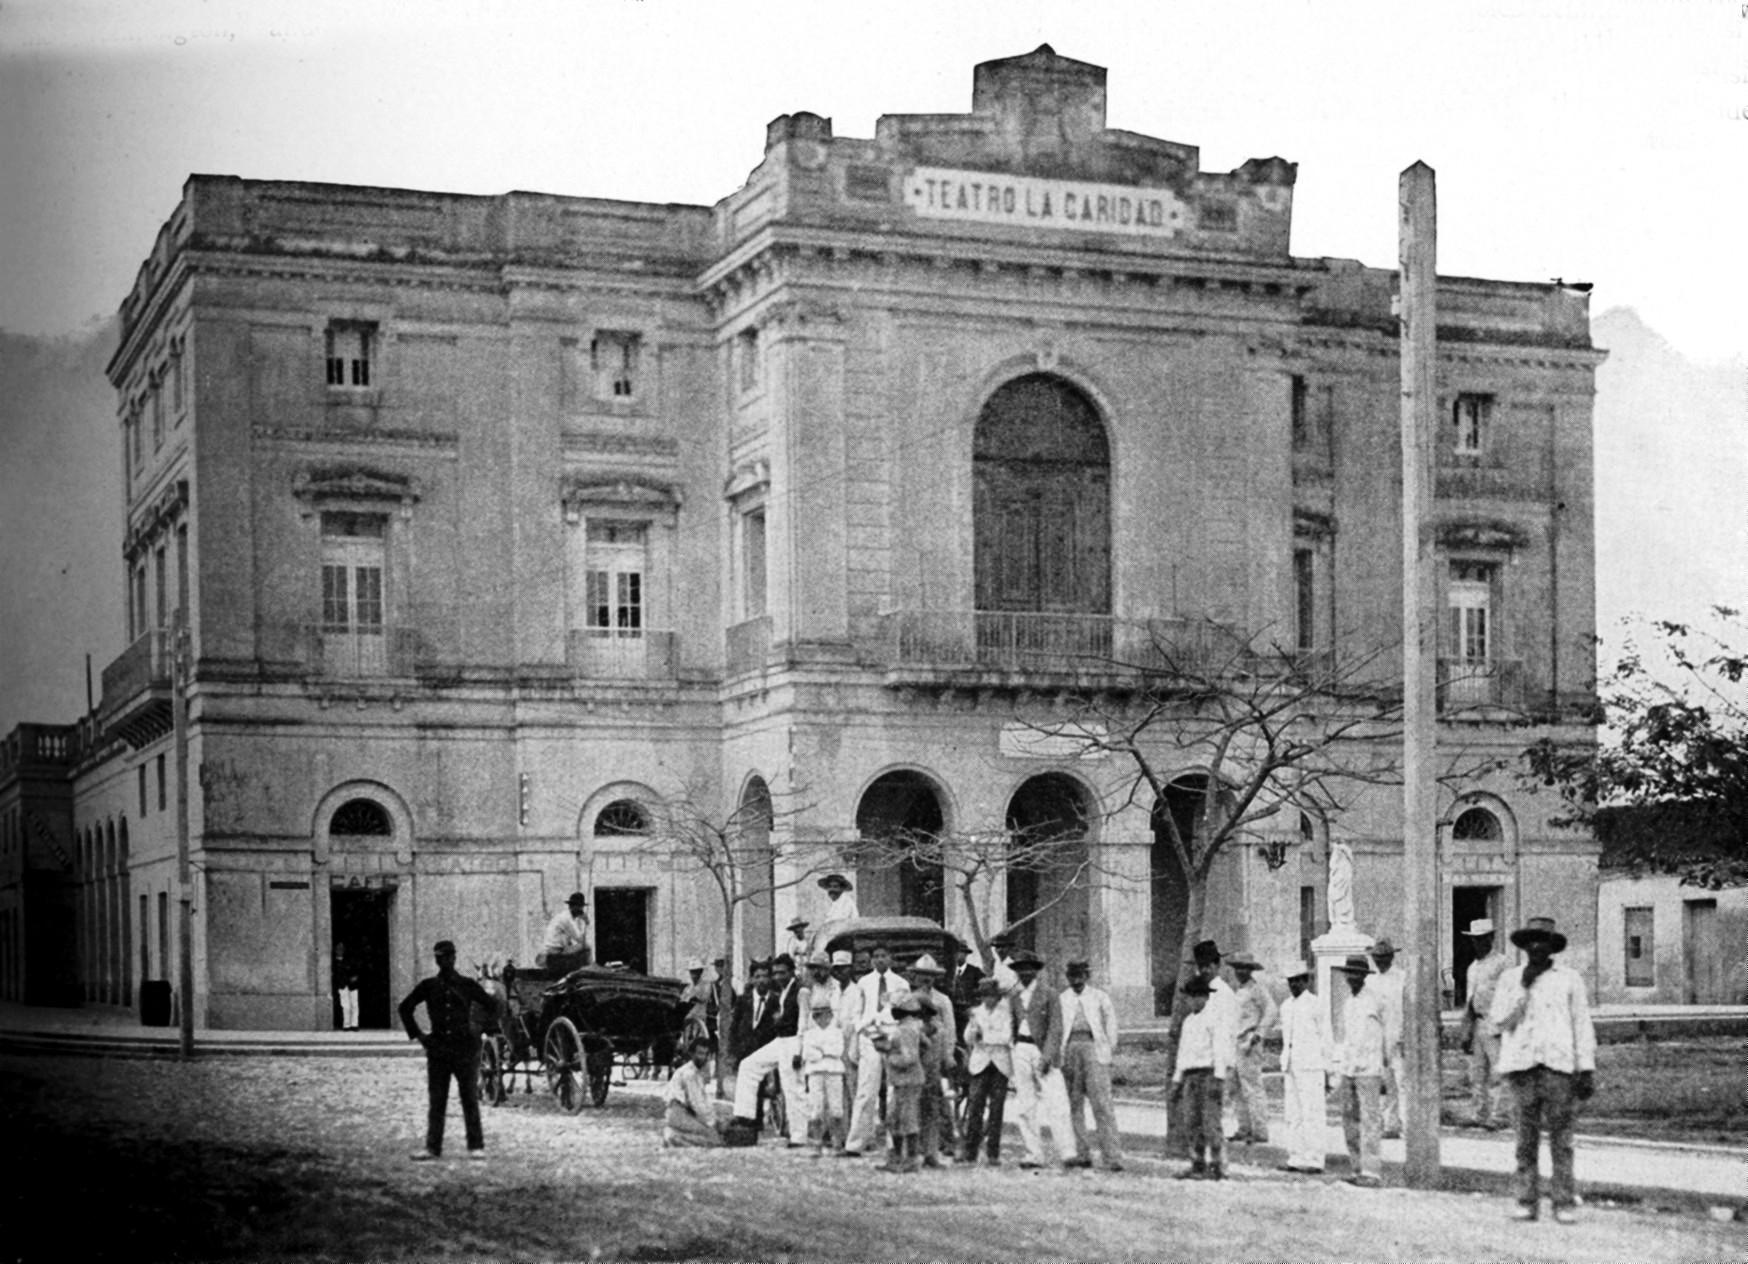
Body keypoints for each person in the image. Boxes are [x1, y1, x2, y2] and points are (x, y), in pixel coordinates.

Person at [1488, 917, 1597, 1225]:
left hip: (1557, 1068)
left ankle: (1563, 1201)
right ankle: (1525, 1200)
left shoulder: (1569, 978)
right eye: (1531, 940)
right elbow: (1498, 1020)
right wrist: (1523, 987)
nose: (1537, 946)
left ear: (1552, 946)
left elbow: (1581, 1023)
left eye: (1543, 940)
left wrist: (1585, 1068)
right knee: (1525, 1139)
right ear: (1523, 946)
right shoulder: (1510, 978)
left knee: (1562, 1139)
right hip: (1522, 1068)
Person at [397, 939, 498, 1161]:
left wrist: (478, 1031)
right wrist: (420, 1037)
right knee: (437, 1100)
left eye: (448, 956)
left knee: (469, 1098)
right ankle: (433, 1148)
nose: (444, 961)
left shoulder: (467, 984)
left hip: (464, 1049)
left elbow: (492, 1006)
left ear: (454, 958)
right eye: (440, 957)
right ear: (436, 960)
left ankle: (476, 1146)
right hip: (439, 1049)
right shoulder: (428, 986)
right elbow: (405, 1008)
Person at [1007, 948, 1078, 1170]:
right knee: (1025, 1104)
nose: (1024, 973)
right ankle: (1033, 1153)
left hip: (1042, 1049)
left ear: (1036, 971)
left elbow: (1056, 1028)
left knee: (1057, 1102)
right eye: (1020, 969)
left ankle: (1067, 1152)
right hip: (1021, 1047)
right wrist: (1013, 1051)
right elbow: (1011, 1024)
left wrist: (1047, 1056)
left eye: (1028, 969)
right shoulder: (1013, 996)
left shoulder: (1050, 994)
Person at [731, 953, 808, 1145]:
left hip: (793, 1042)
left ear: (792, 972)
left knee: (793, 1089)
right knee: (748, 1066)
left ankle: (799, 1136)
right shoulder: (781, 991)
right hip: (780, 1041)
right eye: (775, 973)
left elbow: (804, 1022)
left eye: (782, 973)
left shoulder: (800, 991)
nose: (777, 977)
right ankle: (745, 1116)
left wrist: (799, 1051)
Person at [843, 943, 910, 1155]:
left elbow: (906, 1012)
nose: (880, 960)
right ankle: (857, 1143)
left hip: (892, 1033)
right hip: (870, 1035)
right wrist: (863, 1027)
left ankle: (895, 1143)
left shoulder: (901, 983)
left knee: (894, 1090)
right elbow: (856, 1013)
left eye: (884, 956)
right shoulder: (864, 983)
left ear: (890, 958)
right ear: (872, 960)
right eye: (876, 957)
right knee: (866, 1089)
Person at [1057, 960, 1124, 1171]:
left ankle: (1112, 1156)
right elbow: (1058, 1027)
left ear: (1087, 976)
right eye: (1072, 977)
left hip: (1093, 1047)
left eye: (1080, 976)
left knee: (1102, 1103)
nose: (1076, 981)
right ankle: (1081, 1153)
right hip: (1069, 1049)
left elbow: (1111, 1024)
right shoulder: (1062, 999)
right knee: (1073, 1104)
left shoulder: (1099, 997)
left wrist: (1107, 1049)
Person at [1331, 954, 1386, 1187]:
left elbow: (1386, 1033)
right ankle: (1356, 1167)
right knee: (1349, 1120)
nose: (1352, 978)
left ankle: (1371, 1171)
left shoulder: (1375, 1001)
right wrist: (1341, 1065)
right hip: (1349, 1068)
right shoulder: (1348, 1003)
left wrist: (1384, 1064)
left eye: (1357, 974)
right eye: (1349, 974)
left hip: (1369, 1068)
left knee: (1370, 1120)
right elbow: (1346, 1037)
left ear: (1364, 976)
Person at [1170, 976, 1228, 1180]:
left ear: (1205, 997)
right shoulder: (1188, 1022)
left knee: (1210, 1121)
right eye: (1191, 997)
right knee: (1192, 1121)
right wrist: (1177, 1080)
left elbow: (1219, 1049)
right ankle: (1197, 1162)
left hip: (1208, 1073)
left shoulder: (1213, 1018)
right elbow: (1183, 1053)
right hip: (1190, 1075)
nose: (1194, 1001)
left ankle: (1217, 1164)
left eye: (1198, 996)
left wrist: (1219, 1077)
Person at [1277, 962, 1332, 1173]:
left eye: (1298, 980)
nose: (1294, 985)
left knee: (1312, 1113)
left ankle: (1315, 1159)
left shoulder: (1316, 1004)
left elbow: (1326, 1037)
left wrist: (1328, 1068)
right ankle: (1296, 1156)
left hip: (1311, 1065)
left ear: (1306, 980)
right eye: (1290, 981)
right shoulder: (1286, 1006)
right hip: (1290, 1065)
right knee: (1293, 1113)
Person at [1458, 918, 1512, 1130]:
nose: (1478, 943)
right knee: (1477, 1072)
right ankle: (1479, 1113)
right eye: (1475, 939)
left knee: (1499, 1072)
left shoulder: (1502, 963)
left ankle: (1500, 1115)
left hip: (1496, 1023)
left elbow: (1509, 995)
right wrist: (1466, 1029)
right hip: (1479, 1021)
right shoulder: (1473, 967)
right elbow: (1471, 1001)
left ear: (1491, 938)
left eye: (1482, 939)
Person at [907, 953, 955, 1164]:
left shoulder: (942, 1000)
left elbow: (950, 1029)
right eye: (922, 975)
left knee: (935, 1102)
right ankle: (915, 1145)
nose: (926, 979)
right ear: (915, 977)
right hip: (914, 1053)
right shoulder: (908, 999)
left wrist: (948, 1055)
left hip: (935, 1052)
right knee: (912, 1101)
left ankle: (939, 1145)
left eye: (930, 975)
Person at [960, 975, 1013, 1165]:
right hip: (980, 1064)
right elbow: (968, 1039)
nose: (988, 999)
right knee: (975, 1107)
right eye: (984, 995)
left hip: (999, 1064)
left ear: (997, 996)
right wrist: (974, 1032)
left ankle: (993, 1153)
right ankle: (970, 1151)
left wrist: (985, 1037)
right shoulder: (976, 1013)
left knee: (996, 1109)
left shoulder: (1006, 1012)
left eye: (991, 995)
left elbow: (1007, 1037)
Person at [875, 993, 929, 1173]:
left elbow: (909, 1058)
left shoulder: (905, 1030)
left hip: (907, 1080)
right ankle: (900, 1158)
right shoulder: (913, 1028)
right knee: (897, 1118)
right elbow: (924, 1045)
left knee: (905, 1119)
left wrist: (890, 1054)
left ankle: (909, 1159)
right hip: (906, 1080)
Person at [1229, 953, 1277, 1145]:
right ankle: (1243, 1127)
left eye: (1244, 968)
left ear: (1250, 970)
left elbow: (1271, 1011)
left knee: (1252, 1087)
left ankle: (1260, 1130)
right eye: (1238, 968)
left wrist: (1259, 1034)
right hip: (1235, 1042)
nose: (1241, 972)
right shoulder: (1237, 991)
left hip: (1249, 1042)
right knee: (1235, 1088)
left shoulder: (1257, 989)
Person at [801, 998, 847, 1155]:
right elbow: (808, 1054)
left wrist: (820, 1050)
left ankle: (836, 1143)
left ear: (830, 1015)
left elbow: (837, 1051)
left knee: (836, 1108)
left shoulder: (837, 1032)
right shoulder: (809, 1034)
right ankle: (817, 1143)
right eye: (818, 1016)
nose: (822, 1019)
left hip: (834, 1071)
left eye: (825, 1015)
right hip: (815, 1072)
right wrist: (824, 1051)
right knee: (816, 1108)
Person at [1369, 938, 1405, 1139]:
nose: (1380, 961)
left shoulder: (1402, 978)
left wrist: (1405, 1036)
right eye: (1377, 957)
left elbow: (1406, 1008)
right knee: (1385, 1083)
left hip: (1398, 1035)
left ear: (1392, 957)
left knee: (1402, 1082)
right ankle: (1390, 1124)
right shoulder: (1371, 981)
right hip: (1378, 1038)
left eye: (1384, 957)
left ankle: (1407, 1125)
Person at [663, 1037, 724, 1147]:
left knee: (714, 1133)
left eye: (706, 1054)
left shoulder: (695, 1072)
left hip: (682, 1113)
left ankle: (677, 1134)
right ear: (691, 1054)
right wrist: (712, 1123)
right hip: (679, 1113)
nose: (703, 1058)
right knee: (715, 1140)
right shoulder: (690, 1074)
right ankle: (674, 1137)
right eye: (700, 1053)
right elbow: (697, 1104)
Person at [538, 892, 592, 974]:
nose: (581, 909)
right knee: (587, 947)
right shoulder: (567, 919)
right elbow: (580, 940)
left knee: (580, 948)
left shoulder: (564, 916)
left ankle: (584, 970)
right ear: (573, 906)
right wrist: (586, 923)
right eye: (579, 907)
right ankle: (589, 971)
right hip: (554, 952)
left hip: (555, 950)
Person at [334, 941, 360, 1032]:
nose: (340, 950)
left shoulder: (349, 960)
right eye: (338, 949)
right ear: (335, 950)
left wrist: (355, 977)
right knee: (346, 1006)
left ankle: (355, 1024)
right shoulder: (334, 962)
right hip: (342, 985)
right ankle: (346, 1025)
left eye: (342, 949)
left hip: (352, 985)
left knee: (355, 1005)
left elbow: (356, 970)